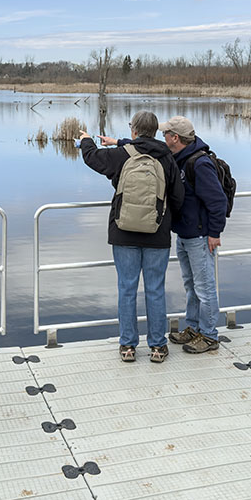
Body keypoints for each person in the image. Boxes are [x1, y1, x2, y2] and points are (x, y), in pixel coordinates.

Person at [79, 111, 184, 363]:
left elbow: (93, 158)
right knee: (155, 290)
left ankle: (128, 346)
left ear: (134, 131)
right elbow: (178, 197)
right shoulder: (167, 157)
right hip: (157, 234)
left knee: (127, 289)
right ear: (156, 132)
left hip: (123, 231)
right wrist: (167, 222)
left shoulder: (122, 155)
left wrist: (86, 140)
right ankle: (158, 346)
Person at [160, 116, 227, 354]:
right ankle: (194, 327)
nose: (163, 137)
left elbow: (218, 201)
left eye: (165, 134)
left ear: (175, 138)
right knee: (191, 285)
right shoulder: (179, 158)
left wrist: (214, 233)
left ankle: (209, 335)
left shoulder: (199, 164)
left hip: (200, 237)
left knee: (205, 287)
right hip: (185, 234)